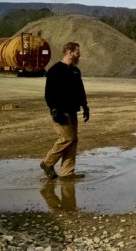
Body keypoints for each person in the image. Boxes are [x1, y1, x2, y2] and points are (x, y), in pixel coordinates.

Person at [40, 41, 89, 180]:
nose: (79, 54)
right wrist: (54, 110)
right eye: (77, 52)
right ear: (70, 52)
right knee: (67, 138)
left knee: (73, 141)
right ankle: (47, 163)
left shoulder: (75, 71)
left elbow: (81, 91)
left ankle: (68, 173)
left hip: (72, 110)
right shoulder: (55, 70)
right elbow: (49, 94)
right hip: (60, 112)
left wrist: (85, 107)